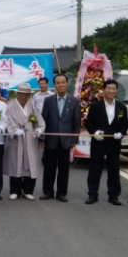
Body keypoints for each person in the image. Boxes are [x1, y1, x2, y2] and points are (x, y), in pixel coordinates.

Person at [84, 79, 128, 205]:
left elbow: (125, 124)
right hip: (98, 143)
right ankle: (92, 194)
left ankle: (113, 196)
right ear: (103, 90)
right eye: (109, 88)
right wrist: (95, 133)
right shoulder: (95, 106)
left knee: (114, 169)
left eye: (114, 89)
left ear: (116, 91)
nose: (111, 91)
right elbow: (88, 123)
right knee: (95, 169)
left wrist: (121, 133)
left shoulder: (121, 107)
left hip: (114, 143)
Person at [40, 74, 80, 202]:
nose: (61, 85)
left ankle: (61, 193)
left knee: (64, 169)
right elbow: (43, 120)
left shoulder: (74, 101)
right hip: (51, 140)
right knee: (49, 168)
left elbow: (77, 122)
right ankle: (48, 192)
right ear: (55, 85)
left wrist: (74, 140)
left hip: (66, 141)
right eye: (58, 83)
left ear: (67, 83)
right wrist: (42, 138)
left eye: (63, 82)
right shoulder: (48, 100)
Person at [3, 83, 45, 200]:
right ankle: (15, 190)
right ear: (18, 94)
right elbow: (8, 121)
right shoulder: (10, 107)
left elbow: (40, 122)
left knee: (31, 164)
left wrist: (39, 130)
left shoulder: (32, 107)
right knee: (15, 164)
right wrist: (14, 130)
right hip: (17, 140)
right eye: (24, 94)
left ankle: (28, 190)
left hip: (30, 139)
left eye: (28, 95)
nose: (26, 97)